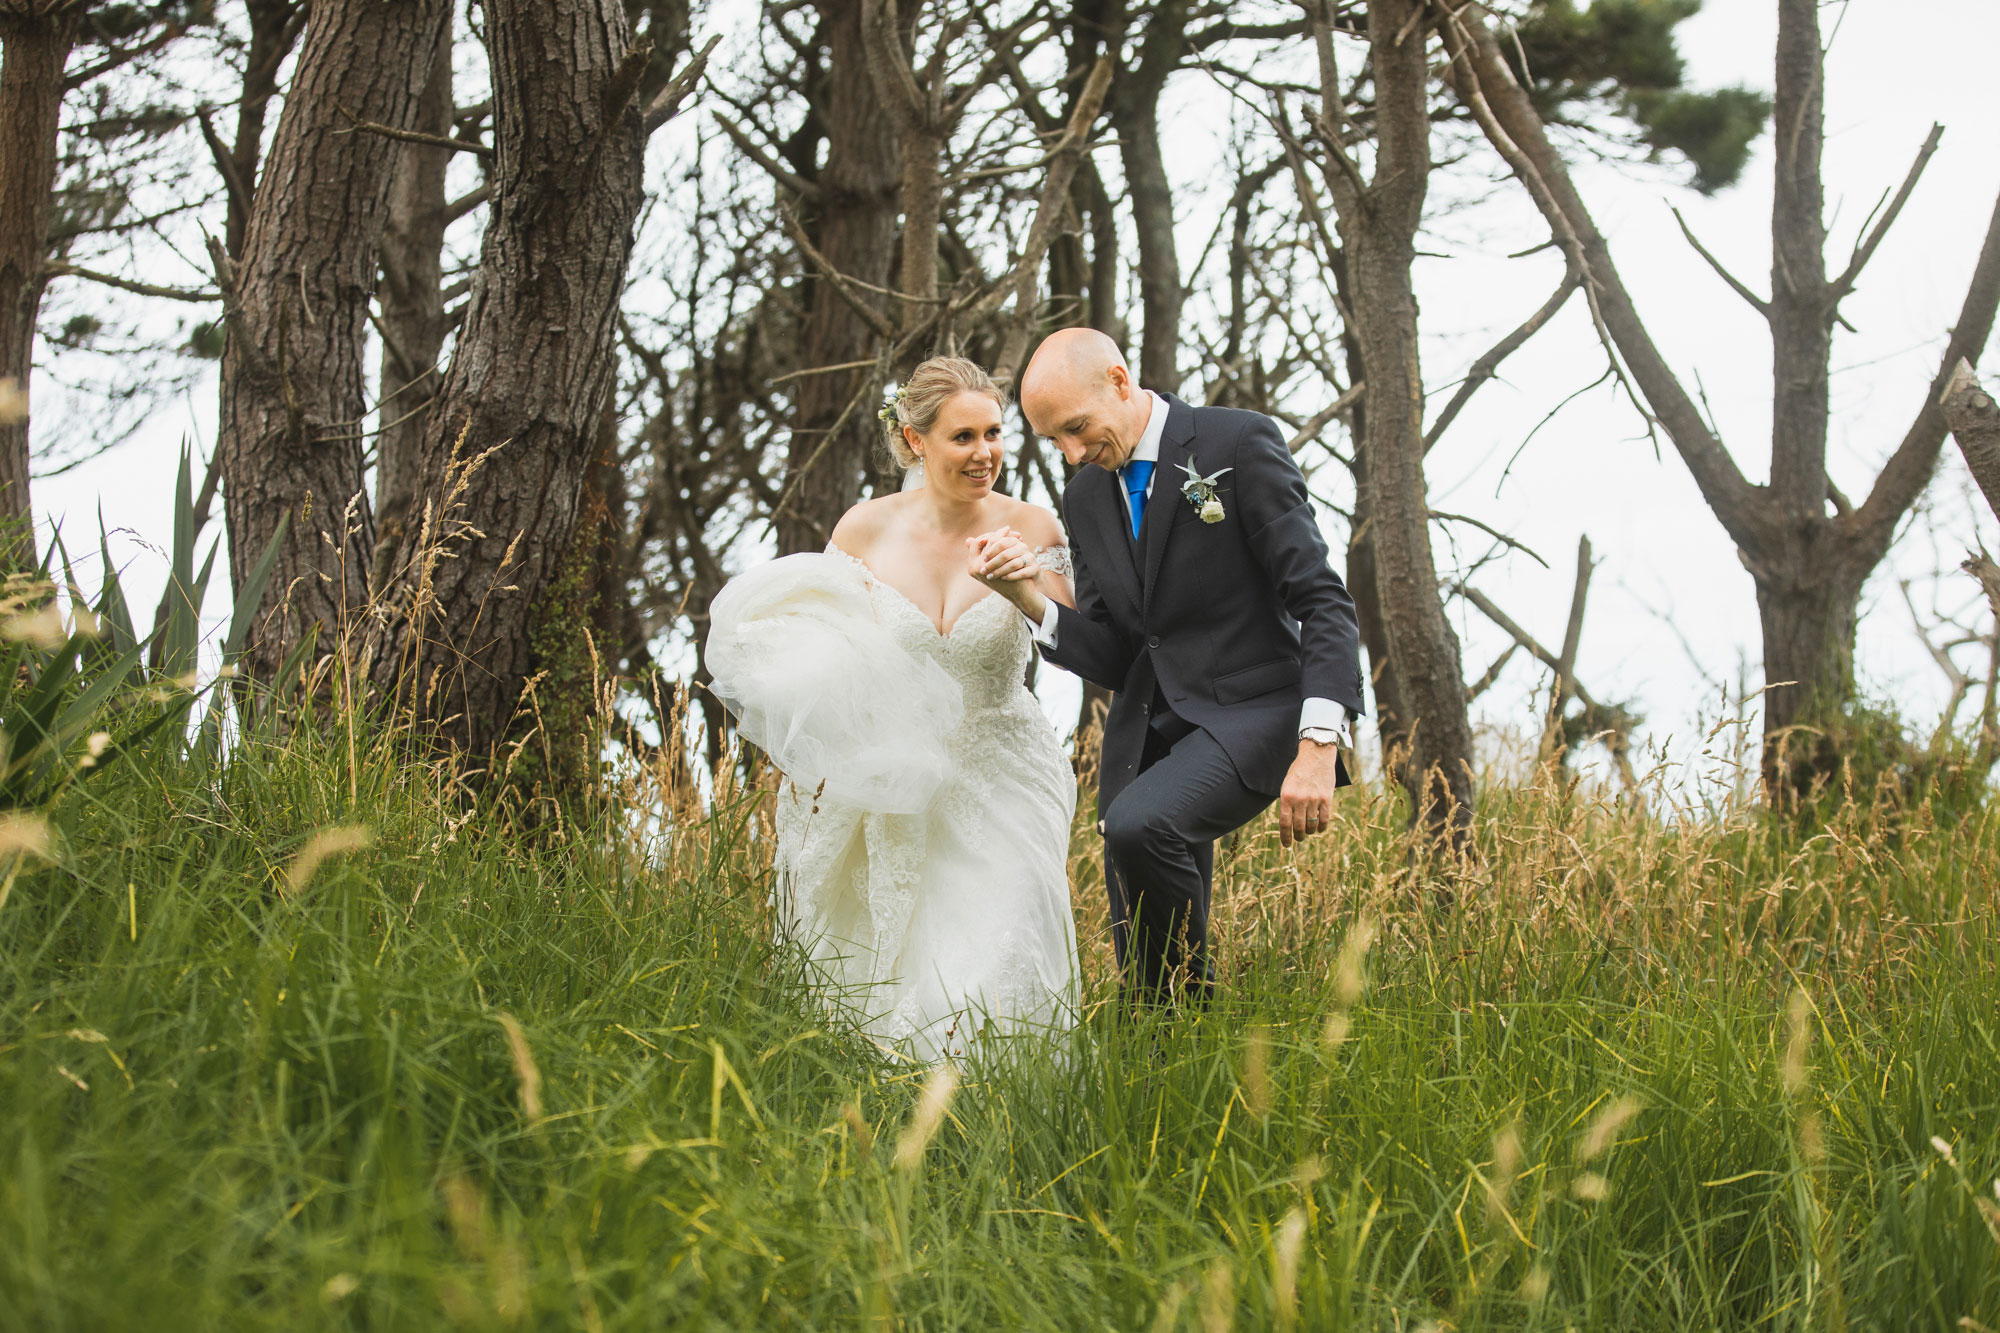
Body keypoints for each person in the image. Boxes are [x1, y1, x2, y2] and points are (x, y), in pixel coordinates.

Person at [969, 328, 1364, 1006]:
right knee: (1138, 960)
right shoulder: (1087, 497)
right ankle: (1169, 1065)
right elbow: (1118, 654)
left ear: (1120, 383)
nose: (1072, 453)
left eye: (1076, 428)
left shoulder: (1236, 443)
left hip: (1256, 711)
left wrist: (1317, 746)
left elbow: (1323, 600)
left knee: (1139, 823)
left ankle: (1200, 1014)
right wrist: (1027, 598)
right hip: (1146, 734)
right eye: (1052, 441)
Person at [706, 356, 1080, 1062]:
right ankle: (900, 1122)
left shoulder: (1031, 524)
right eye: (963, 437)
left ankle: (1010, 1119)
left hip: (1001, 774)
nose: (985, 454)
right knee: (895, 972)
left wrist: (1024, 583)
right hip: (891, 781)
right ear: (915, 440)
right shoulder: (863, 530)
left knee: (997, 950)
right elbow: (823, 652)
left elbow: (1077, 643)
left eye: (994, 433)